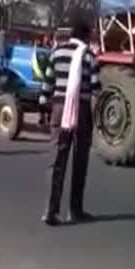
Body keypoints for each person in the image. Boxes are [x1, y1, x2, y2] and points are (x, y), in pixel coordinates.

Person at [40, 18, 101, 226]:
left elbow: (47, 85)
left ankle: (50, 209)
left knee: (57, 159)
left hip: (58, 109)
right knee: (79, 160)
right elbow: (95, 88)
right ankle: (75, 210)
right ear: (86, 36)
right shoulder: (89, 57)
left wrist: (44, 106)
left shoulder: (56, 53)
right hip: (81, 111)